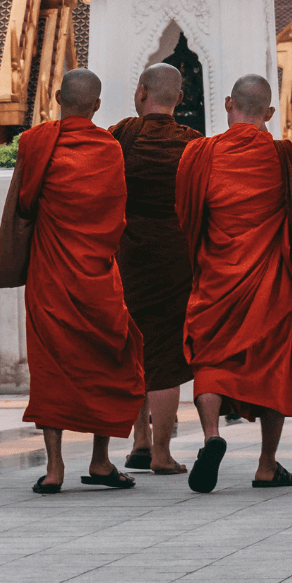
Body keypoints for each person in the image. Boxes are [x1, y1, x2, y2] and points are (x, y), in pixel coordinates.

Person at [0, 67, 145, 494]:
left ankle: (55, 467)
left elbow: (25, 201)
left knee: (51, 369)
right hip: (97, 274)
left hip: (51, 276)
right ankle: (100, 461)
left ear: (57, 97)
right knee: (109, 359)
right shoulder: (110, 149)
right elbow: (116, 216)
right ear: (97, 106)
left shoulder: (36, 143)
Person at [176, 72, 292, 494]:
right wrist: (281, 226)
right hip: (266, 282)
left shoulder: (199, 154)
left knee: (210, 358)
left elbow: (186, 213)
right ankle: (266, 464)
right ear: (269, 113)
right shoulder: (279, 156)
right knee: (273, 365)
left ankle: (211, 438)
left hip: (215, 278)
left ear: (227, 105)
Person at [110, 62, 201, 475]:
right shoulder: (195, 145)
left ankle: (139, 443)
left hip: (127, 255)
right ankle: (161, 452)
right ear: (179, 100)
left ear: (140, 92)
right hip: (175, 258)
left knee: (134, 348)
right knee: (164, 353)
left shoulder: (121, 136)